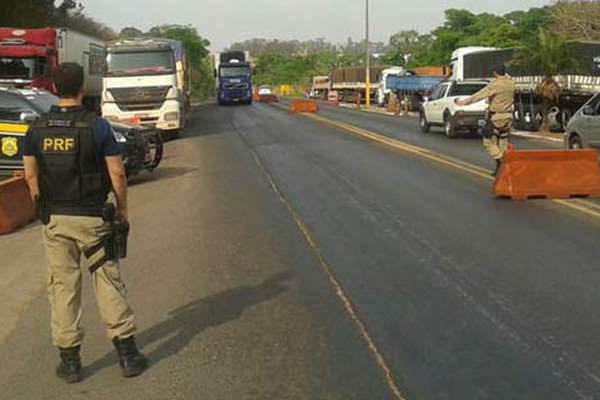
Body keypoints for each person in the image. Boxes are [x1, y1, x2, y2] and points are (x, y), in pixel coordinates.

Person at [22, 62, 148, 383]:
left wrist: (40, 203)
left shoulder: (36, 128)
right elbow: (117, 172)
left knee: (63, 288)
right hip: (92, 218)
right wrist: (122, 209)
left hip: (55, 221)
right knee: (107, 282)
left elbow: (30, 175)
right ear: (81, 88)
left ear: (53, 87)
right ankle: (128, 356)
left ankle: (71, 362)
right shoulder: (98, 127)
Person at [455, 63, 515, 176]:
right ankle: (501, 170)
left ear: (495, 73)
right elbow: (507, 76)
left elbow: (479, 95)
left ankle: (502, 159)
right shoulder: (511, 83)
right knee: (502, 142)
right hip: (508, 116)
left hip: (496, 117)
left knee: (488, 142)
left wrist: (464, 102)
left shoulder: (496, 84)